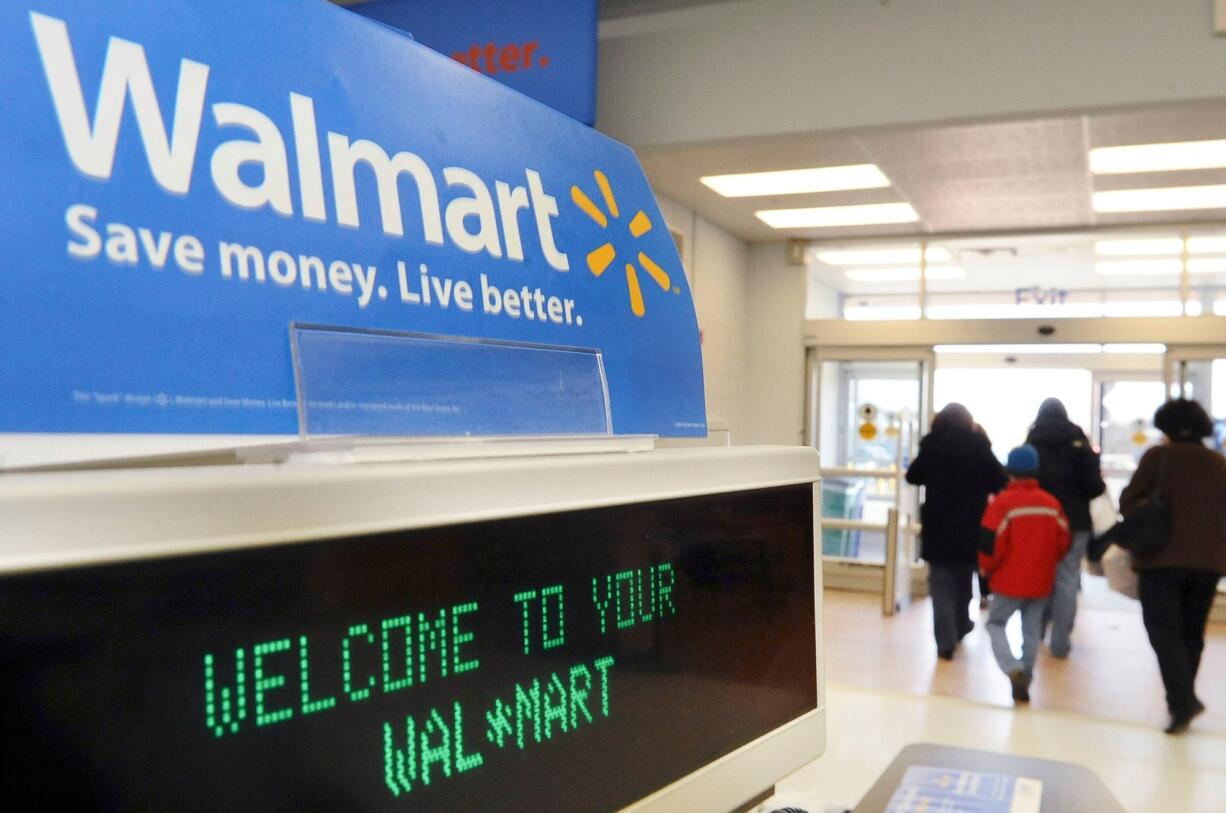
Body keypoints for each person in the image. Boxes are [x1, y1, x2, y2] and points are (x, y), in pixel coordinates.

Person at [1121, 398, 1226, 734]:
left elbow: (1128, 501)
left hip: (1161, 558)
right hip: (1208, 562)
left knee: (1162, 629)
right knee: (1191, 631)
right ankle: (1181, 702)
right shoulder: (1218, 462)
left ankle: (1183, 700)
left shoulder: (1158, 457)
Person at [906, 403, 1007, 660]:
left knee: (940, 585)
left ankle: (944, 643)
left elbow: (913, 476)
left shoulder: (931, 444)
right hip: (970, 524)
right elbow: (1000, 480)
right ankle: (961, 626)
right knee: (964, 582)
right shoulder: (978, 445)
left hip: (937, 524)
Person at [979, 445, 1071, 703]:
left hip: (1008, 581)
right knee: (1031, 630)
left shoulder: (1002, 504)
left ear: (1010, 472)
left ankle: (1013, 669)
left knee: (995, 624)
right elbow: (1064, 541)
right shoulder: (1052, 504)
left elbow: (989, 544)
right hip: (1041, 580)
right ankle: (1026, 678)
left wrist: (986, 569)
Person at [1025, 397, 1106, 657]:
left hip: (1040, 520)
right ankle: (1060, 643)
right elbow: (1094, 487)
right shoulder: (1079, 442)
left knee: (1039, 575)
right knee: (1067, 578)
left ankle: (1035, 633)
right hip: (1075, 521)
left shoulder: (1032, 442)